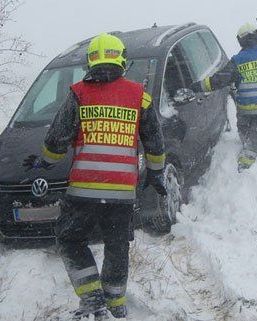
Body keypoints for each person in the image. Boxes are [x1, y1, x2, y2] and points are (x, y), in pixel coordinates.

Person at [23, 33, 166, 320]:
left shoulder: (78, 93)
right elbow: (155, 141)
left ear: (90, 60)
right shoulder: (141, 96)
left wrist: (43, 163)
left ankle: (91, 300)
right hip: (122, 193)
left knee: (69, 239)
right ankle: (115, 304)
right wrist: (156, 174)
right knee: (116, 246)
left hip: (83, 191)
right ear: (121, 60)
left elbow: (57, 140)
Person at [191, 12, 257, 172]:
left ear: (240, 41)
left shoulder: (237, 60)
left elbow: (218, 80)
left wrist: (197, 87)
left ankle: (247, 159)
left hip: (246, 110)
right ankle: (250, 149)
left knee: (246, 131)